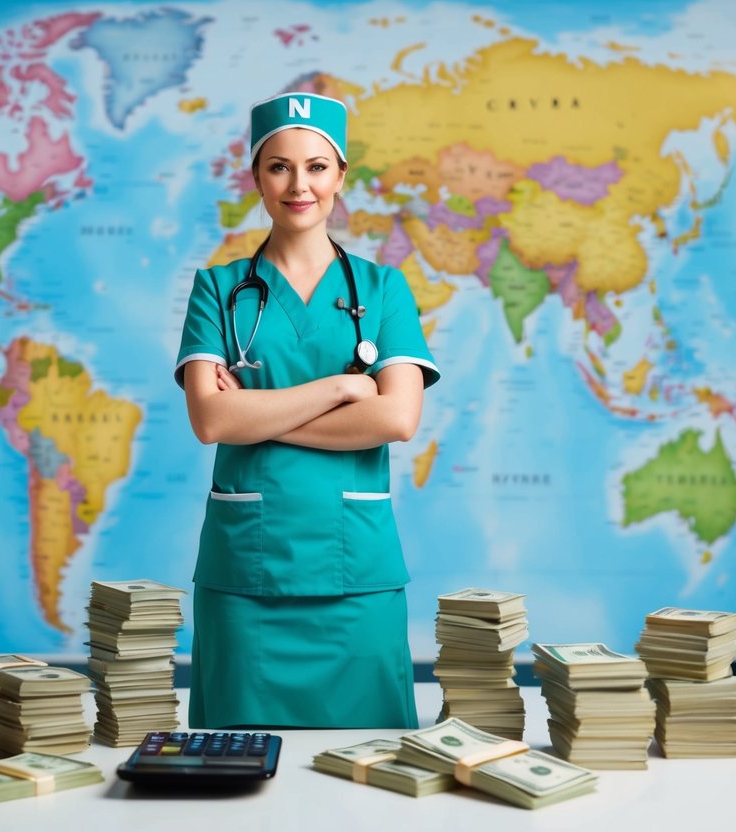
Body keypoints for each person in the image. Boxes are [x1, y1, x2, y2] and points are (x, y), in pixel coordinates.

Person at [174, 91, 440, 729]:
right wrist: (341, 390)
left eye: (317, 167)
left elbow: (396, 421)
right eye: (279, 167)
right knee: (235, 773)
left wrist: (259, 413)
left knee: (371, 776)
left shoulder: (383, 288)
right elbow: (211, 422)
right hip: (247, 581)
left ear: (341, 176)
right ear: (257, 178)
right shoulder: (218, 289)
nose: (300, 185)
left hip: (358, 577)